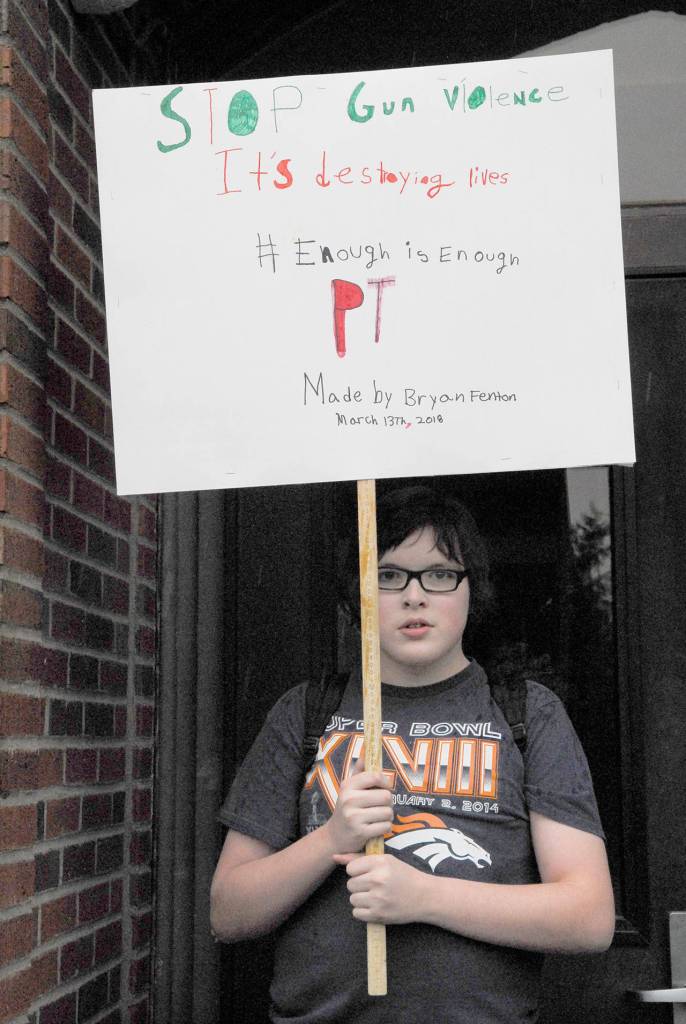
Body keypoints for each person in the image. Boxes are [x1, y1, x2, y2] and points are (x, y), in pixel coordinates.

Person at [210, 485, 614, 1023]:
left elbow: (587, 917)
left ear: (473, 589)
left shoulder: (526, 715)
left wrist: (424, 897)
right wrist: (333, 838)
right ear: (358, 593)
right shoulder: (305, 713)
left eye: (441, 574)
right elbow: (229, 912)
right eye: (389, 575)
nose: (414, 596)